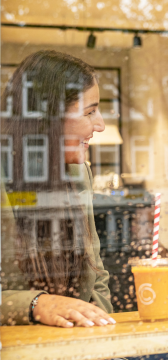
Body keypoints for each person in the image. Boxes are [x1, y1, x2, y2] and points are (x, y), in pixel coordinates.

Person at [1, 50, 114, 327]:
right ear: (48, 117)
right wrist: (37, 304)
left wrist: (96, 332)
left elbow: (95, 273)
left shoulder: (78, 174)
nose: (100, 125)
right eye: (90, 112)